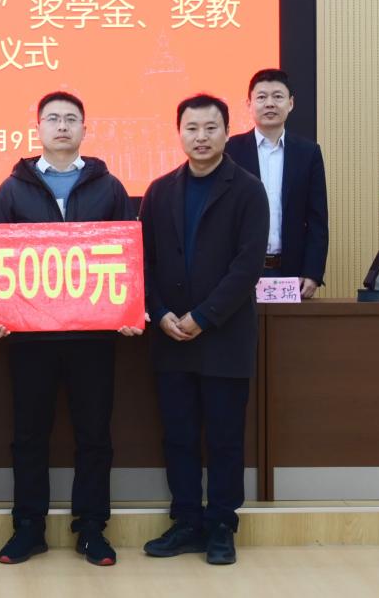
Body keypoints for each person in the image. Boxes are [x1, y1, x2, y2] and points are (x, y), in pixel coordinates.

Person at [0, 91, 137, 568]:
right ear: (38, 129)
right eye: (53, 118)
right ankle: (29, 527)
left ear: (85, 129)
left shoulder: (109, 187)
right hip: (31, 339)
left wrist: (131, 309)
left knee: (94, 435)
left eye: (71, 119)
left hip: (94, 337)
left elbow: (129, 255)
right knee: (29, 435)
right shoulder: (13, 190)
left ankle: (92, 528)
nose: (63, 126)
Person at [139, 94, 268, 566]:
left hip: (224, 337)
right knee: (178, 436)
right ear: (179, 133)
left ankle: (222, 526)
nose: (201, 137)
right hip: (170, 335)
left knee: (224, 438)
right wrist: (160, 313)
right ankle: (187, 522)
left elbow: (247, 266)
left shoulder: (248, 190)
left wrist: (203, 316)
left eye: (211, 128)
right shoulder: (159, 191)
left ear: (227, 132)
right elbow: (143, 262)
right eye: (191, 128)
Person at [225, 68, 329, 297]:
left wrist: (312, 272)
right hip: (238, 270)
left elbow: (317, 219)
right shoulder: (230, 151)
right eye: (261, 97)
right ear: (249, 104)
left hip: (291, 273)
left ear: (290, 103)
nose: (270, 104)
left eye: (278, 96)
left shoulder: (308, 152)